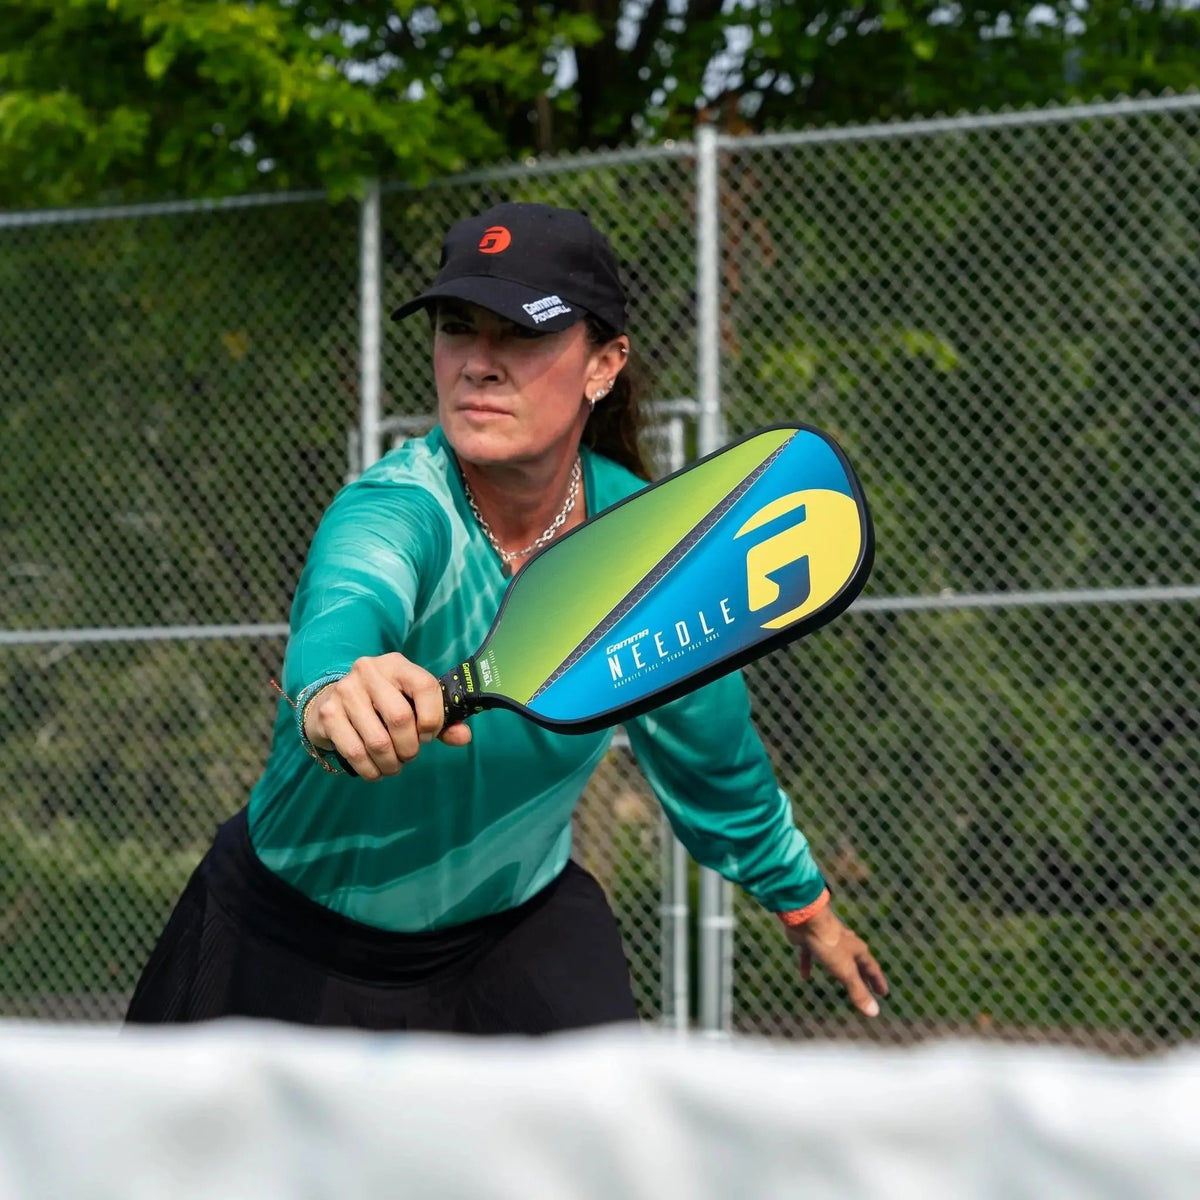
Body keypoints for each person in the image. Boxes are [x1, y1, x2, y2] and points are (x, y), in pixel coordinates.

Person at [126, 201, 888, 1033]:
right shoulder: (398, 506)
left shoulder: (651, 550)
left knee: (616, 1148)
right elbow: (348, 606)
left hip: (513, 934)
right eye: (458, 328)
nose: (478, 365)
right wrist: (337, 689)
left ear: (605, 363)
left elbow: (716, 759)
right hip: (289, 940)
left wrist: (807, 909)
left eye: (521, 335)